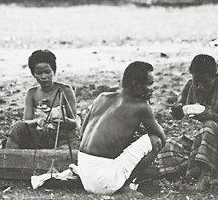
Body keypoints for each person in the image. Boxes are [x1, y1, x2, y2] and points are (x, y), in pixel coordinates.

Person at [71, 61, 166, 195]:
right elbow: (161, 138)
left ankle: (122, 180)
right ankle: (126, 186)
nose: (153, 88)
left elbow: (82, 132)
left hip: (85, 175)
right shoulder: (141, 106)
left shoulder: (101, 97)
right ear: (136, 85)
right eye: (149, 84)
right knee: (155, 141)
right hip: (105, 182)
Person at [156, 54, 218, 193]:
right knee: (169, 146)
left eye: (205, 82)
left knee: (207, 125)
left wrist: (213, 116)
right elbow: (178, 113)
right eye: (197, 81)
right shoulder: (189, 85)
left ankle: (203, 178)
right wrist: (176, 109)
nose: (200, 86)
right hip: (200, 140)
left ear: (216, 76)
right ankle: (184, 176)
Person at [5, 50, 79, 149]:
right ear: (33, 74)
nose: (44, 76)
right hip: (39, 137)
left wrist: (63, 121)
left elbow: (74, 123)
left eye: (47, 72)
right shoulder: (32, 93)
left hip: (61, 137)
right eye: (39, 73)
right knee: (17, 127)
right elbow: (26, 122)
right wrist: (37, 121)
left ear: (54, 71)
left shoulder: (65, 91)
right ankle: (9, 159)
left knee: (66, 150)